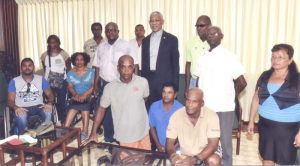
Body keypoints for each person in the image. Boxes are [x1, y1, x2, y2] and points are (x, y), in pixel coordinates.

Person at [196, 26, 247, 165]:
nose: (211, 35)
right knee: (204, 140)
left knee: (225, 143)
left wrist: (230, 95)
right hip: (205, 107)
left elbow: (242, 82)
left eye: (215, 33)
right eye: (209, 33)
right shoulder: (203, 55)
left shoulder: (228, 55)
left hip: (224, 107)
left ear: (221, 36)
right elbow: (200, 79)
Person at [83, 55, 150, 150]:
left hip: (143, 131)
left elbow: (145, 98)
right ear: (118, 68)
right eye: (123, 67)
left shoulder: (143, 82)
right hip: (125, 136)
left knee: (147, 160)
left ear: (134, 68)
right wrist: (93, 132)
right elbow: (101, 109)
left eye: (129, 67)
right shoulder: (110, 88)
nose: (126, 70)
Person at [248, 44, 300, 165]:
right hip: (265, 125)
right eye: (273, 57)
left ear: (290, 60)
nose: (275, 60)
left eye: (280, 57)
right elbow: (256, 98)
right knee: (267, 157)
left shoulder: (297, 79)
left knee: (285, 160)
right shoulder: (265, 75)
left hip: (288, 129)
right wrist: (251, 120)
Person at [92, 22, 138, 143]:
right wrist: (95, 85)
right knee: (105, 112)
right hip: (104, 84)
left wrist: (134, 82)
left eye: (113, 30)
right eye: (107, 30)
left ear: (118, 31)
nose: (110, 32)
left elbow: (135, 65)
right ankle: (109, 139)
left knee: (121, 112)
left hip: (121, 84)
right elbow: (97, 67)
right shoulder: (101, 46)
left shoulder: (126, 45)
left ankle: (122, 138)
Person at [166, 88, 221, 166]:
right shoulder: (176, 116)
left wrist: (196, 159)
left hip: (207, 152)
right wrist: (173, 156)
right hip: (186, 153)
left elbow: (213, 145)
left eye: (194, 102)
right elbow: (169, 142)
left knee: (213, 160)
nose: (190, 105)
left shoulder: (212, 116)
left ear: (202, 103)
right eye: (188, 100)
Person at [141, 11, 180, 109]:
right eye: (152, 21)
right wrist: (143, 84)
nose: (154, 23)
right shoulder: (145, 40)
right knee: (150, 108)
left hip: (165, 82)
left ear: (162, 22)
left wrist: (175, 86)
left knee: (166, 109)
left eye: (157, 20)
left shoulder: (172, 39)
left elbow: (175, 64)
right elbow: (144, 64)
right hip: (149, 81)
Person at [7, 58, 54, 134]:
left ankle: (46, 137)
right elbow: (10, 100)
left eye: (30, 65)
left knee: (48, 112)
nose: (27, 68)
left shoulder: (41, 79)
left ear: (33, 67)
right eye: (24, 66)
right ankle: (25, 139)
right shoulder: (14, 81)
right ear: (21, 68)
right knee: (22, 117)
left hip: (39, 106)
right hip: (22, 107)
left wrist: (49, 103)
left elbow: (50, 95)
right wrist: (16, 108)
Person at [41, 35, 71, 124]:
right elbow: (45, 69)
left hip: (62, 81)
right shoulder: (44, 55)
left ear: (58, 43)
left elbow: (69, 68)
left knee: (61, 103)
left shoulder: (63, 54)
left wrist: (69, 82)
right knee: (49, 102)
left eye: (54, 42)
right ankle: (51, 121)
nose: (52, 44)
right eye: (50, 42)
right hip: (48, 82)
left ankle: (62, 121)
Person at [64, 52, 95, 140]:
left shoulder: (91, 71)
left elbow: (93, 86)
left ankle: (84, 131)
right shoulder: (70, 73)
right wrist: (76, 95)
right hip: (76, 96)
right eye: (77, 60)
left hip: (89, 95)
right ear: (74, 61)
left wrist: (84, 95)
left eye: (81, 59)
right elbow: (70, 87)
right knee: (73, 107)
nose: (79, 62)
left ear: (85, 61)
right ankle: (65, 130)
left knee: (85, 106)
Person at [149, 82, 183, 152]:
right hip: (160, 148)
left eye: (169, 92)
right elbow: (152, 127)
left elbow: (183, 132)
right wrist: (158, 145)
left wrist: (173, 147)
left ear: (175, 95)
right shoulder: (154, 106)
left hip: (177, 149)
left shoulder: (181, 109)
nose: (166, 95)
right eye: (164, 92)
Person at [185, 15, 211, 92]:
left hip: (209, 81)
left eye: (201, 26)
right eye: (197, 26)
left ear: (209, 26)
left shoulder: (214, 42)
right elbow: (188, 65)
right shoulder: (190, 42)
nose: (199, 28)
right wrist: (187, 87)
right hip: (194, 80)